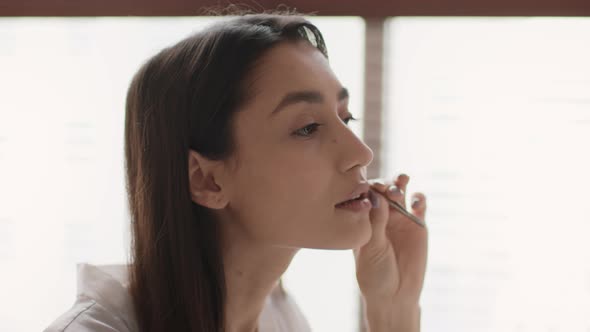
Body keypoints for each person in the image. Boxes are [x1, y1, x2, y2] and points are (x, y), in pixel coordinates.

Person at [45, 10, 428, 332]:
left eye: (346, 117)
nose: (361, 152)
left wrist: (394, 309)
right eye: (307, 127)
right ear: (206, 179)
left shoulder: (281, 318)